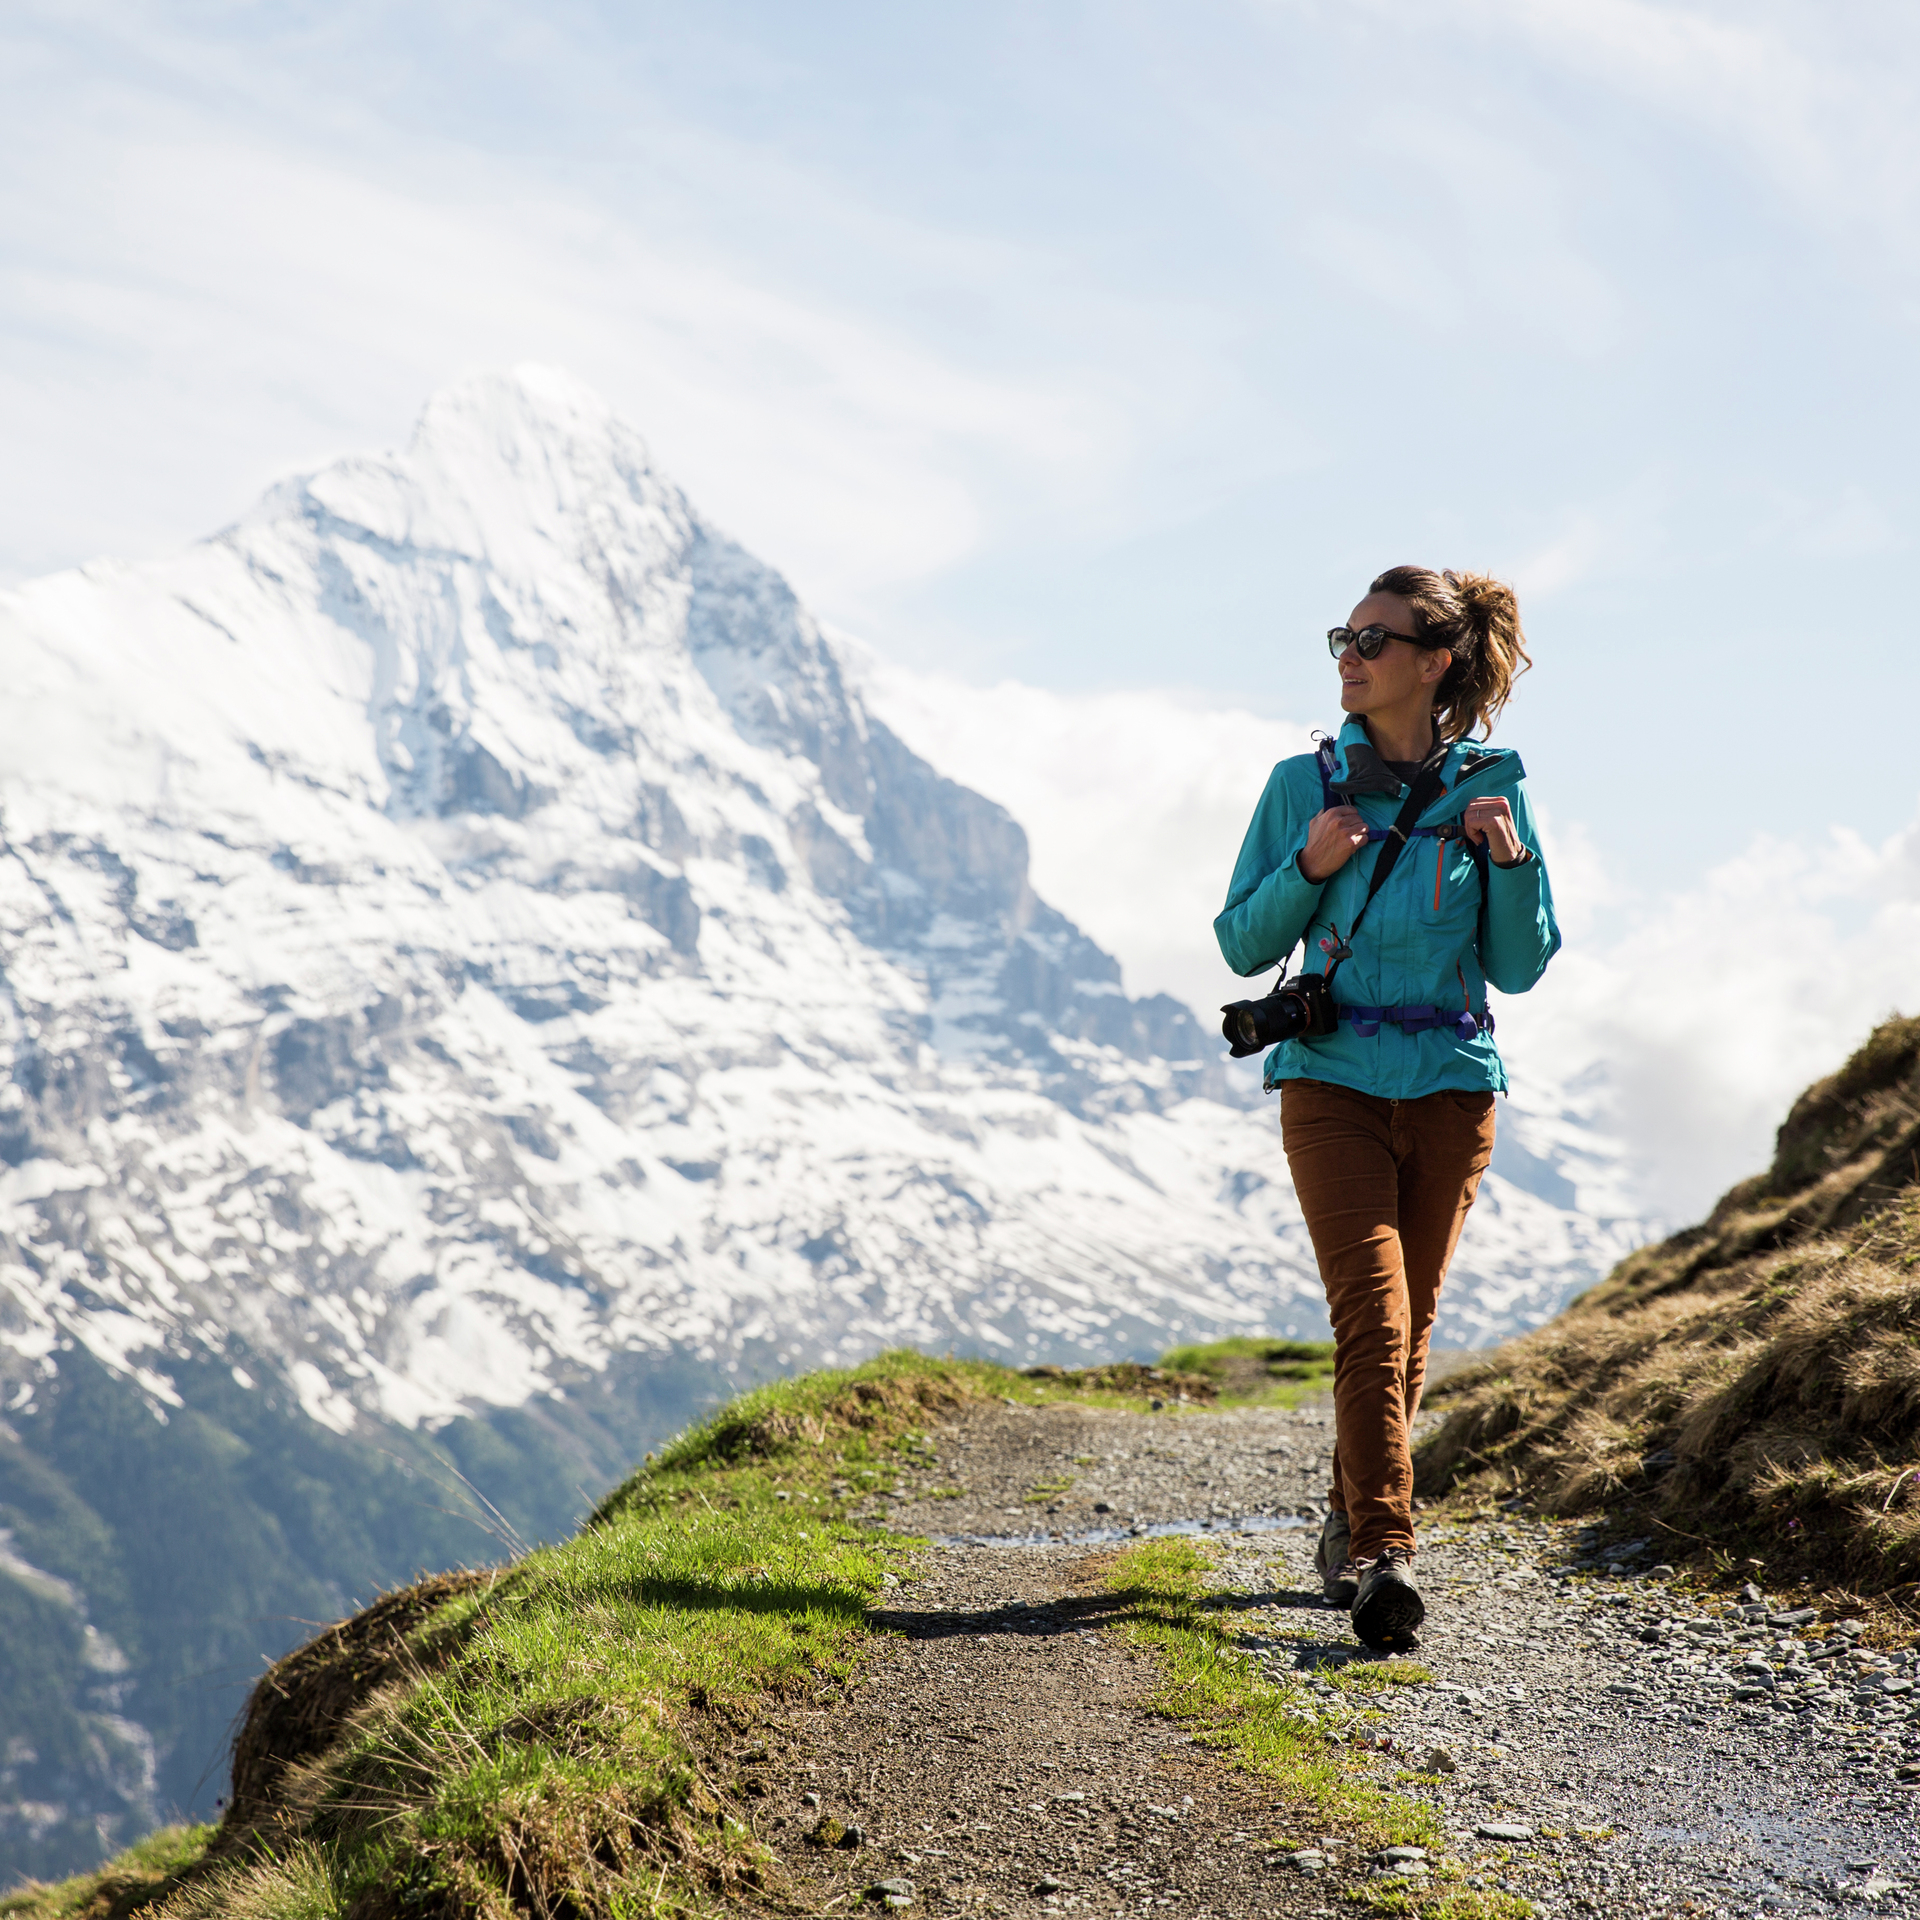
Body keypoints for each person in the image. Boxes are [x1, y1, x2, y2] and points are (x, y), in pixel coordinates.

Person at [1213, 565, 1560, 1649]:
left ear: (1435, 662)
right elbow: (1242, 940)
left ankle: (1346, 1517)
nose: (1350, 657)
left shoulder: (1493, 783)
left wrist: (1509, 863)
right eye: (1343, 638)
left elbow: (1520, 964)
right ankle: (1383, 1555)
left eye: (1374, 639)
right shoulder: (1300, 784)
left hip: (1453, 1088)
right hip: (1330, 1082)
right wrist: (1307, 870)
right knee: (1374, 1314)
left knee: (1407, 1333)